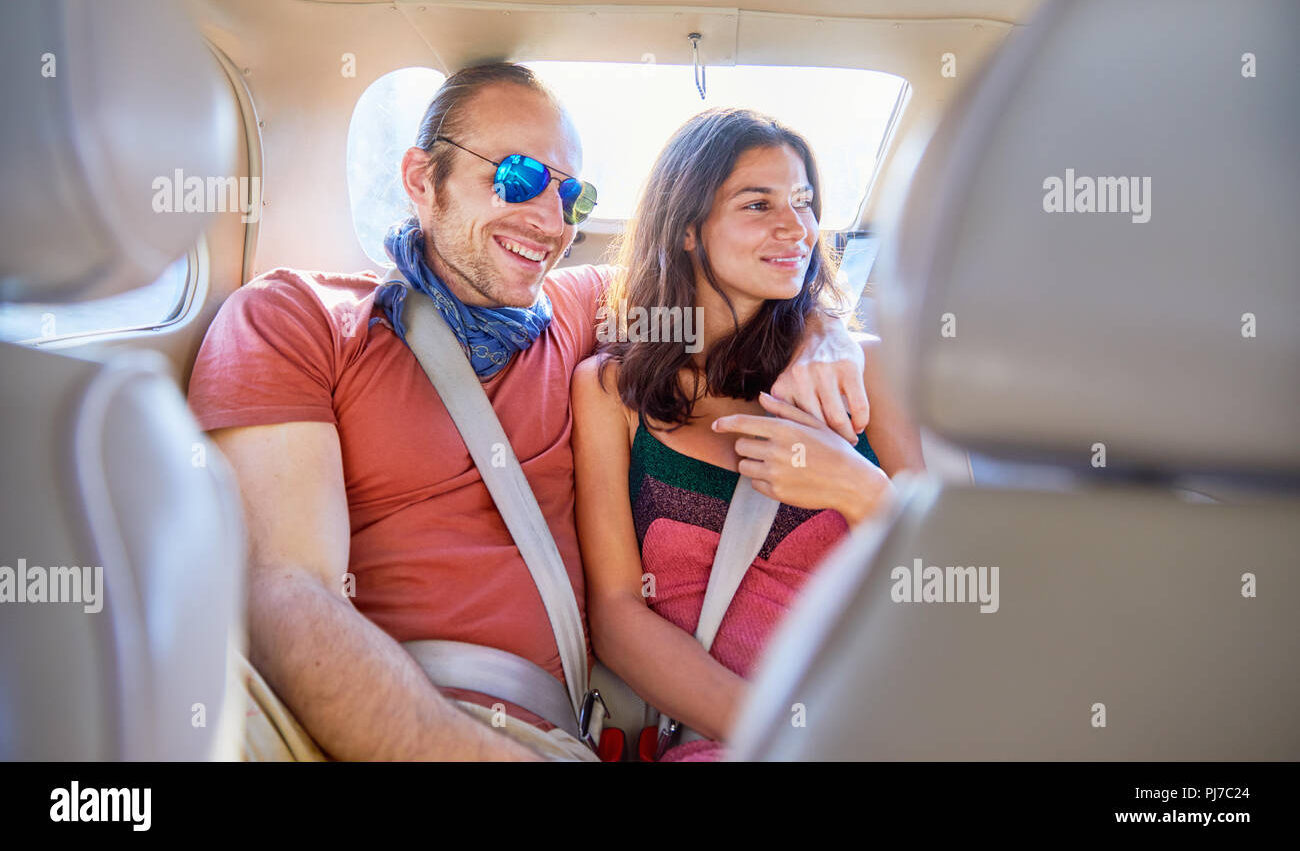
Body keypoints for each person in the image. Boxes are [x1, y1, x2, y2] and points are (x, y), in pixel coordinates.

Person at [187, 63, 872, 761]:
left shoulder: (576, 315)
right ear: (423, 180)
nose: (551, 222)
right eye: (516, 177)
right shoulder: (295, 318)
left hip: (528, 732)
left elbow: (739, 285)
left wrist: (827, 335)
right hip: (310, 720)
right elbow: (286, 592)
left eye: (570, 194)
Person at [571, 107, 925, 761]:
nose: (797, 227)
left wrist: (862, 492)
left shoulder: (864, 370)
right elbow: (618, 614)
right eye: (758, 204)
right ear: (684, 228)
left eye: (805, 202)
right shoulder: (609, 391)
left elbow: (950, 588)